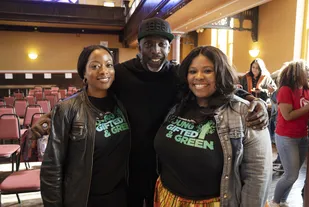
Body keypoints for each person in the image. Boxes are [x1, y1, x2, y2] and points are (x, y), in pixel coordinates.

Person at [33, 17, 269, 207]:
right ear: (140, 46)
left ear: (168, 46)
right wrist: (55, 112)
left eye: (161, 44)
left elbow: (216, 86)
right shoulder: (121, 73)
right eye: (149, 44)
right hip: (126, 165)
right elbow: (90, 89)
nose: (155, 51)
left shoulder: (178, 75)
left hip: (163, 162)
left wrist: (250, 99)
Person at [154, 46, 272, 207]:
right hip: (167, 198)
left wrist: (255, 100)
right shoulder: (179, 106)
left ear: (221, 73)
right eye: (193, 71)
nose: (199, 77)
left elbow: (258, 177)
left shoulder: (246, 113)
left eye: (208, 71)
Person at [40, 45, 130, 207]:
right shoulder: (68, 109)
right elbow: (52, 166)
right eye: (95, 66)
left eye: (109, 65)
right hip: (84, 198)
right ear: (84, 74)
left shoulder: (122, 103)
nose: (104, 71)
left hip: (120, 196)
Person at [270, 60, 309, 207]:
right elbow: (288, 116)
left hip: (302, 136)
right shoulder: (285, 90)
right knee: (290, 175)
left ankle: (283, 201)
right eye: (307, 70)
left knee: (293, 175)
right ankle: (274, 202)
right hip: (287, 137)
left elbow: (308, 112)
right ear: (298, 72)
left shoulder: (305, 90)